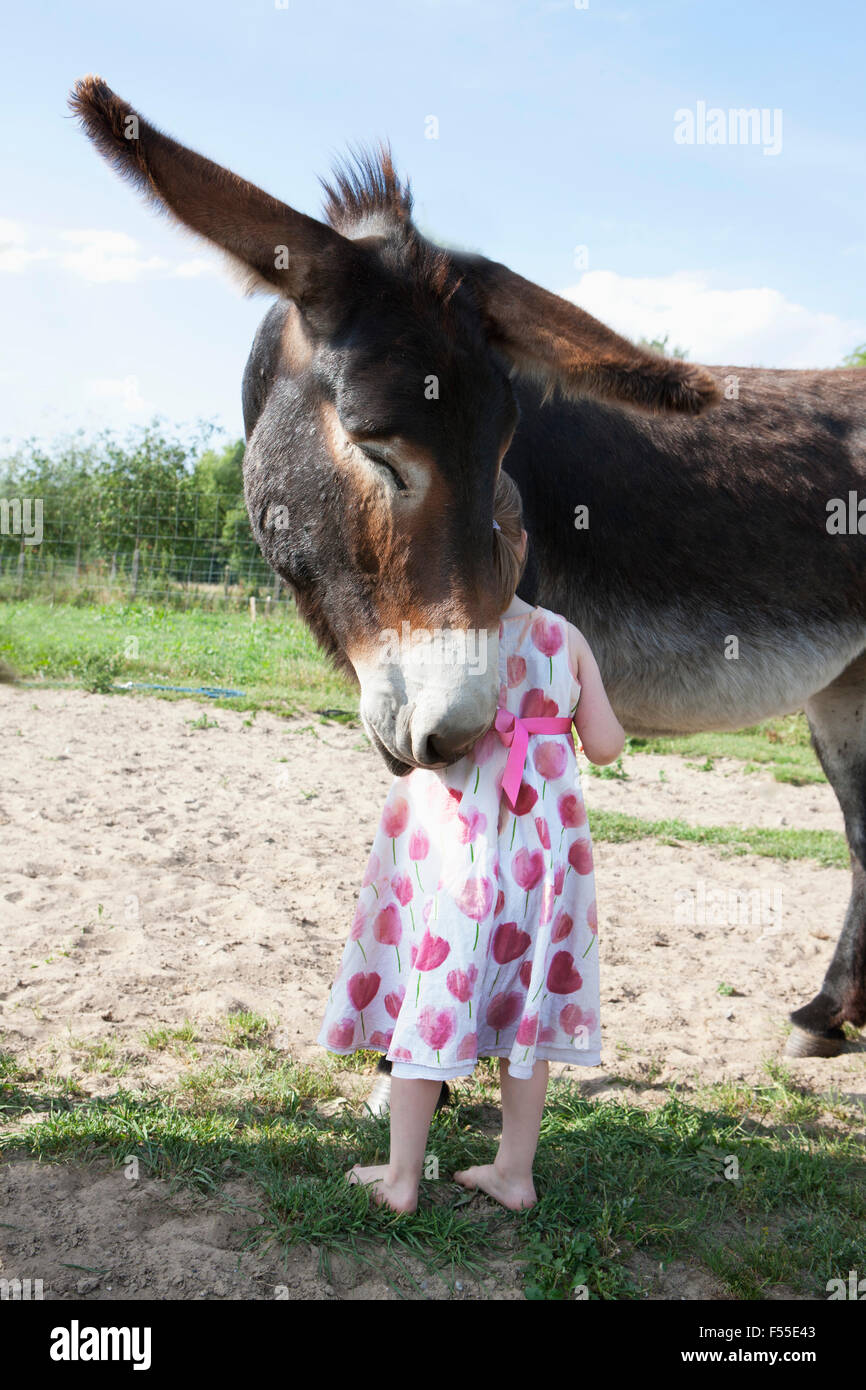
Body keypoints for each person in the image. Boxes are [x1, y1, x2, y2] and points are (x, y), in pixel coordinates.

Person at [317, 468, 625, 1212]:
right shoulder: (563, 637)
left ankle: (400, 1180)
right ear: (521, 546)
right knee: (530, 1020)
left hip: (457, 861)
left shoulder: (438, 644)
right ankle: (513, 1174)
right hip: (547, 868)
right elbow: (609, 745)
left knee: (429, 1002)